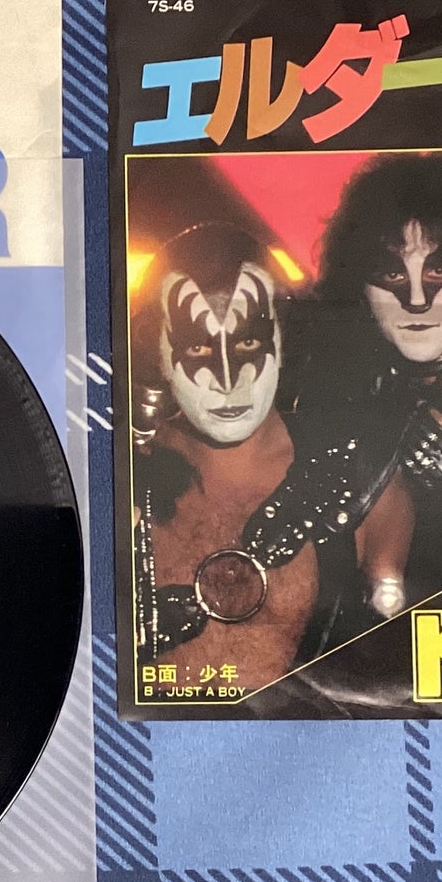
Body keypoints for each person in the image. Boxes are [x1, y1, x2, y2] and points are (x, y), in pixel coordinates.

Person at [280, 150, 442, 613]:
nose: (417, 299)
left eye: (438, 270)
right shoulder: (307, 388)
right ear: (359, 283)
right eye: (393, 272)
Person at [131, 223, 355, 691]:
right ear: (157, 352)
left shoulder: (358, 478)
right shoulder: (118, 479)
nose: (228, 378)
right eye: (197, 346)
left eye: (248, 341)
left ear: (283, 338)